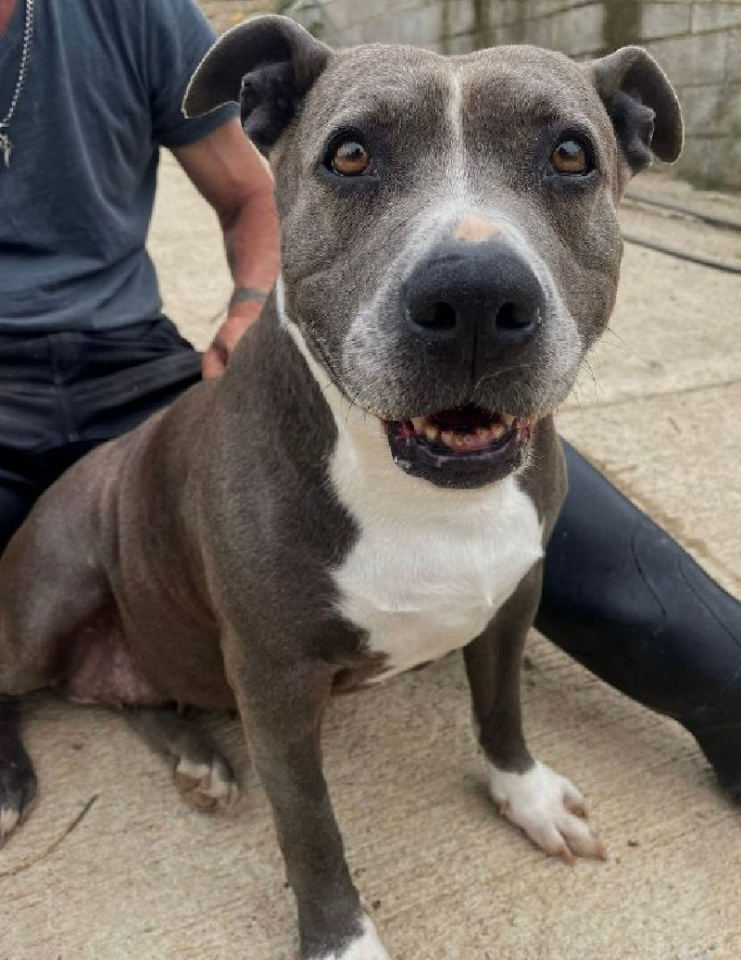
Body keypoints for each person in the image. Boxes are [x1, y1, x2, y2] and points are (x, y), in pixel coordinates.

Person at [0, 0, 739, 811]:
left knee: (504, 510)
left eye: (565, 157)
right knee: (33, 604)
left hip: (132, 362)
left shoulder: (118, 12)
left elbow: (250, 196)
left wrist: (249, 303)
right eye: (356, 157)